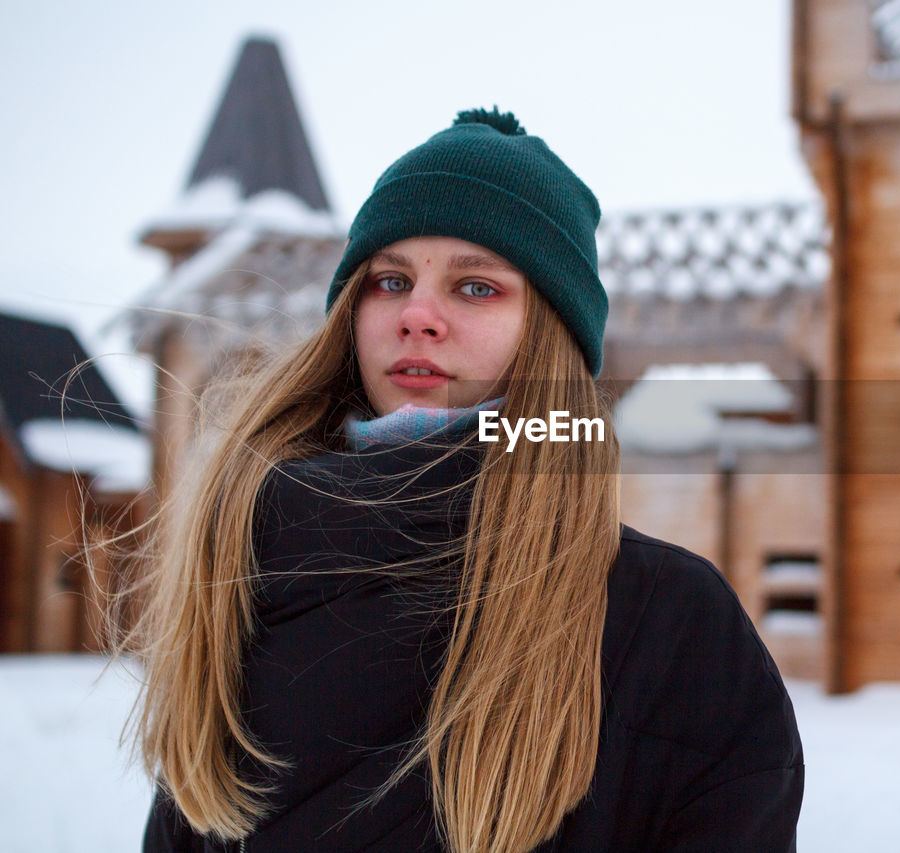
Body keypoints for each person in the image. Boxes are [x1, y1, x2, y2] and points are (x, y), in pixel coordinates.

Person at [124, 107, 803, 852]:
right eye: (389, 280)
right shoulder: (239, 569)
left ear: (548, 337)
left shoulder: (673, 626)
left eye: (476, 287)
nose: (417, 314)